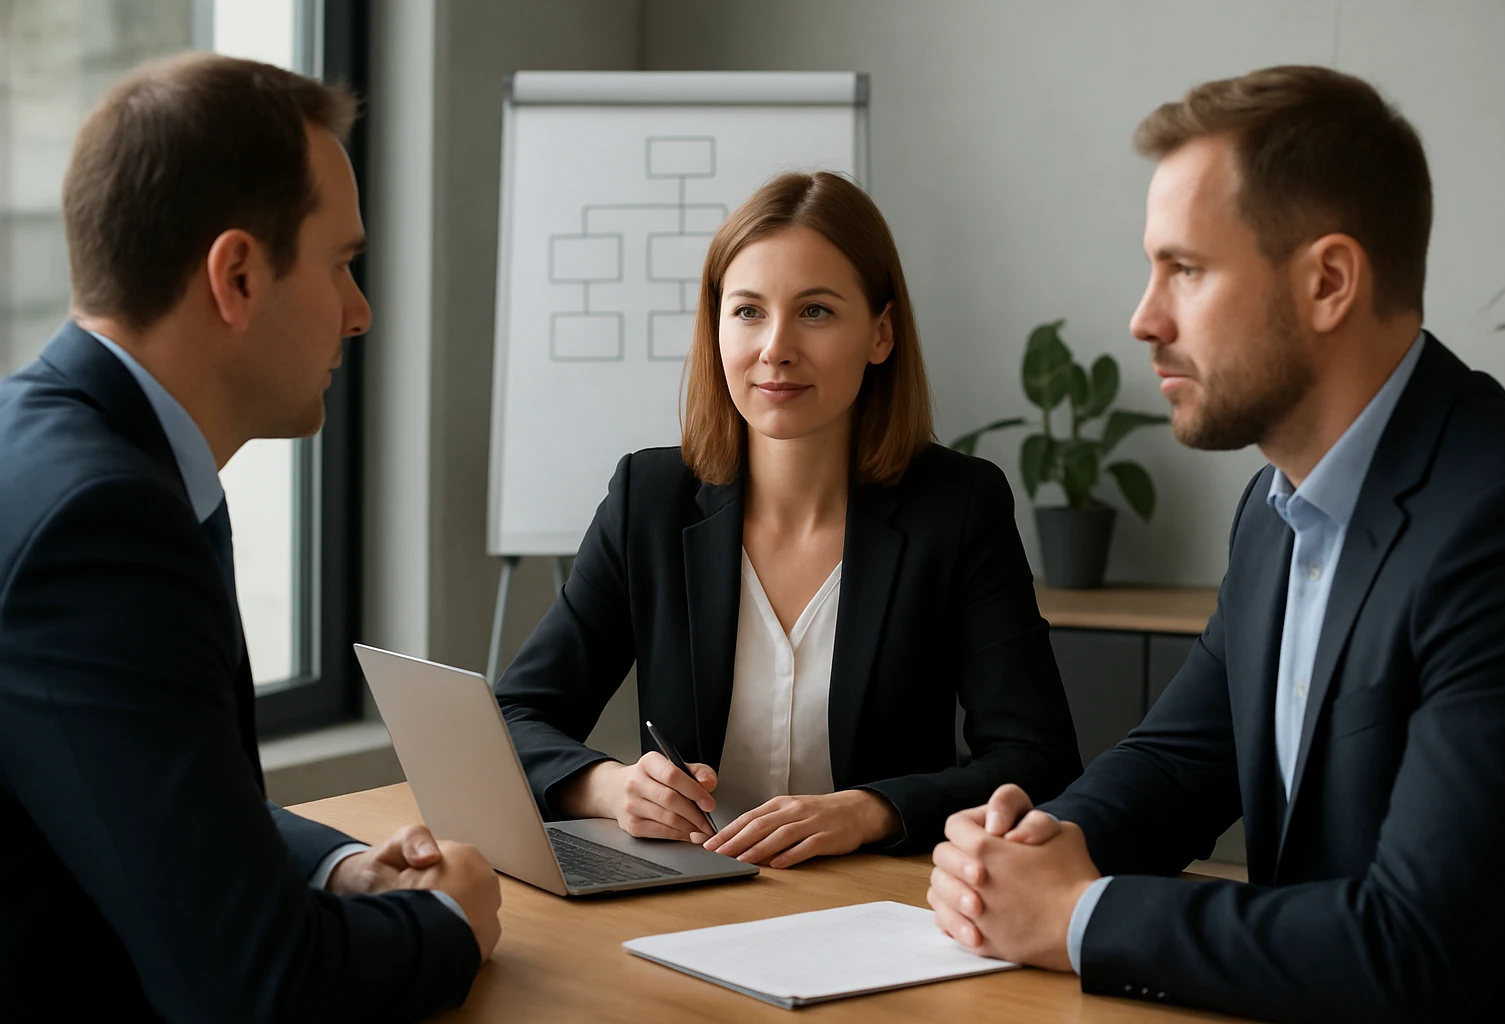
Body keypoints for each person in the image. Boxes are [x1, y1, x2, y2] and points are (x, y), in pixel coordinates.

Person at [926, 64, 1505, 1022]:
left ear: (1328, 281)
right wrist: (1037, 845)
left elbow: (1422, 945)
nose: (1144, 318)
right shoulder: (1273, 509)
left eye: (1187, 269)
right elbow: (1180, 762)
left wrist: (1080, 917)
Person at [0, 54, 502, 1020]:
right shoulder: (101, 525)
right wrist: (452, 922)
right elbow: (251, 989)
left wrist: (341, 868)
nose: (360, 314)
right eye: (341, 264)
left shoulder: (79, 454)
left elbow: (148, 795)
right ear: (235, 275)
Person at [496, 171, 1082, 868]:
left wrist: (871, 811)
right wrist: (611, 785)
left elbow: (1038, 760)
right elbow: (511, 719)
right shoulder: (648, 499)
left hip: (877, 905)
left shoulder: (957, 508)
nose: (775, 347)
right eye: (747, 311)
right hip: (686, 897)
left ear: (881, 333)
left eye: (815, 312)